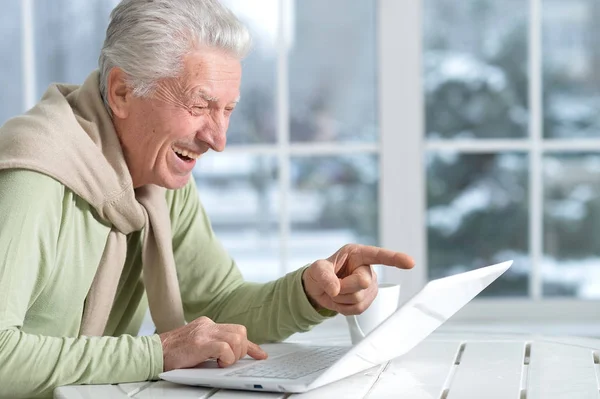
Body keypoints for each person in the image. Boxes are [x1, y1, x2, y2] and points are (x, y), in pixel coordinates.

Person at [0, 0, 414, 397]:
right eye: (200, 105)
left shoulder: (153, 178)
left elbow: (220, 306)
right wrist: (159, 353)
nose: (218, 139)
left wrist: (308, 291)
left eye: (228, 110)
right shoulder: (33, 178)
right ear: (123, 91)